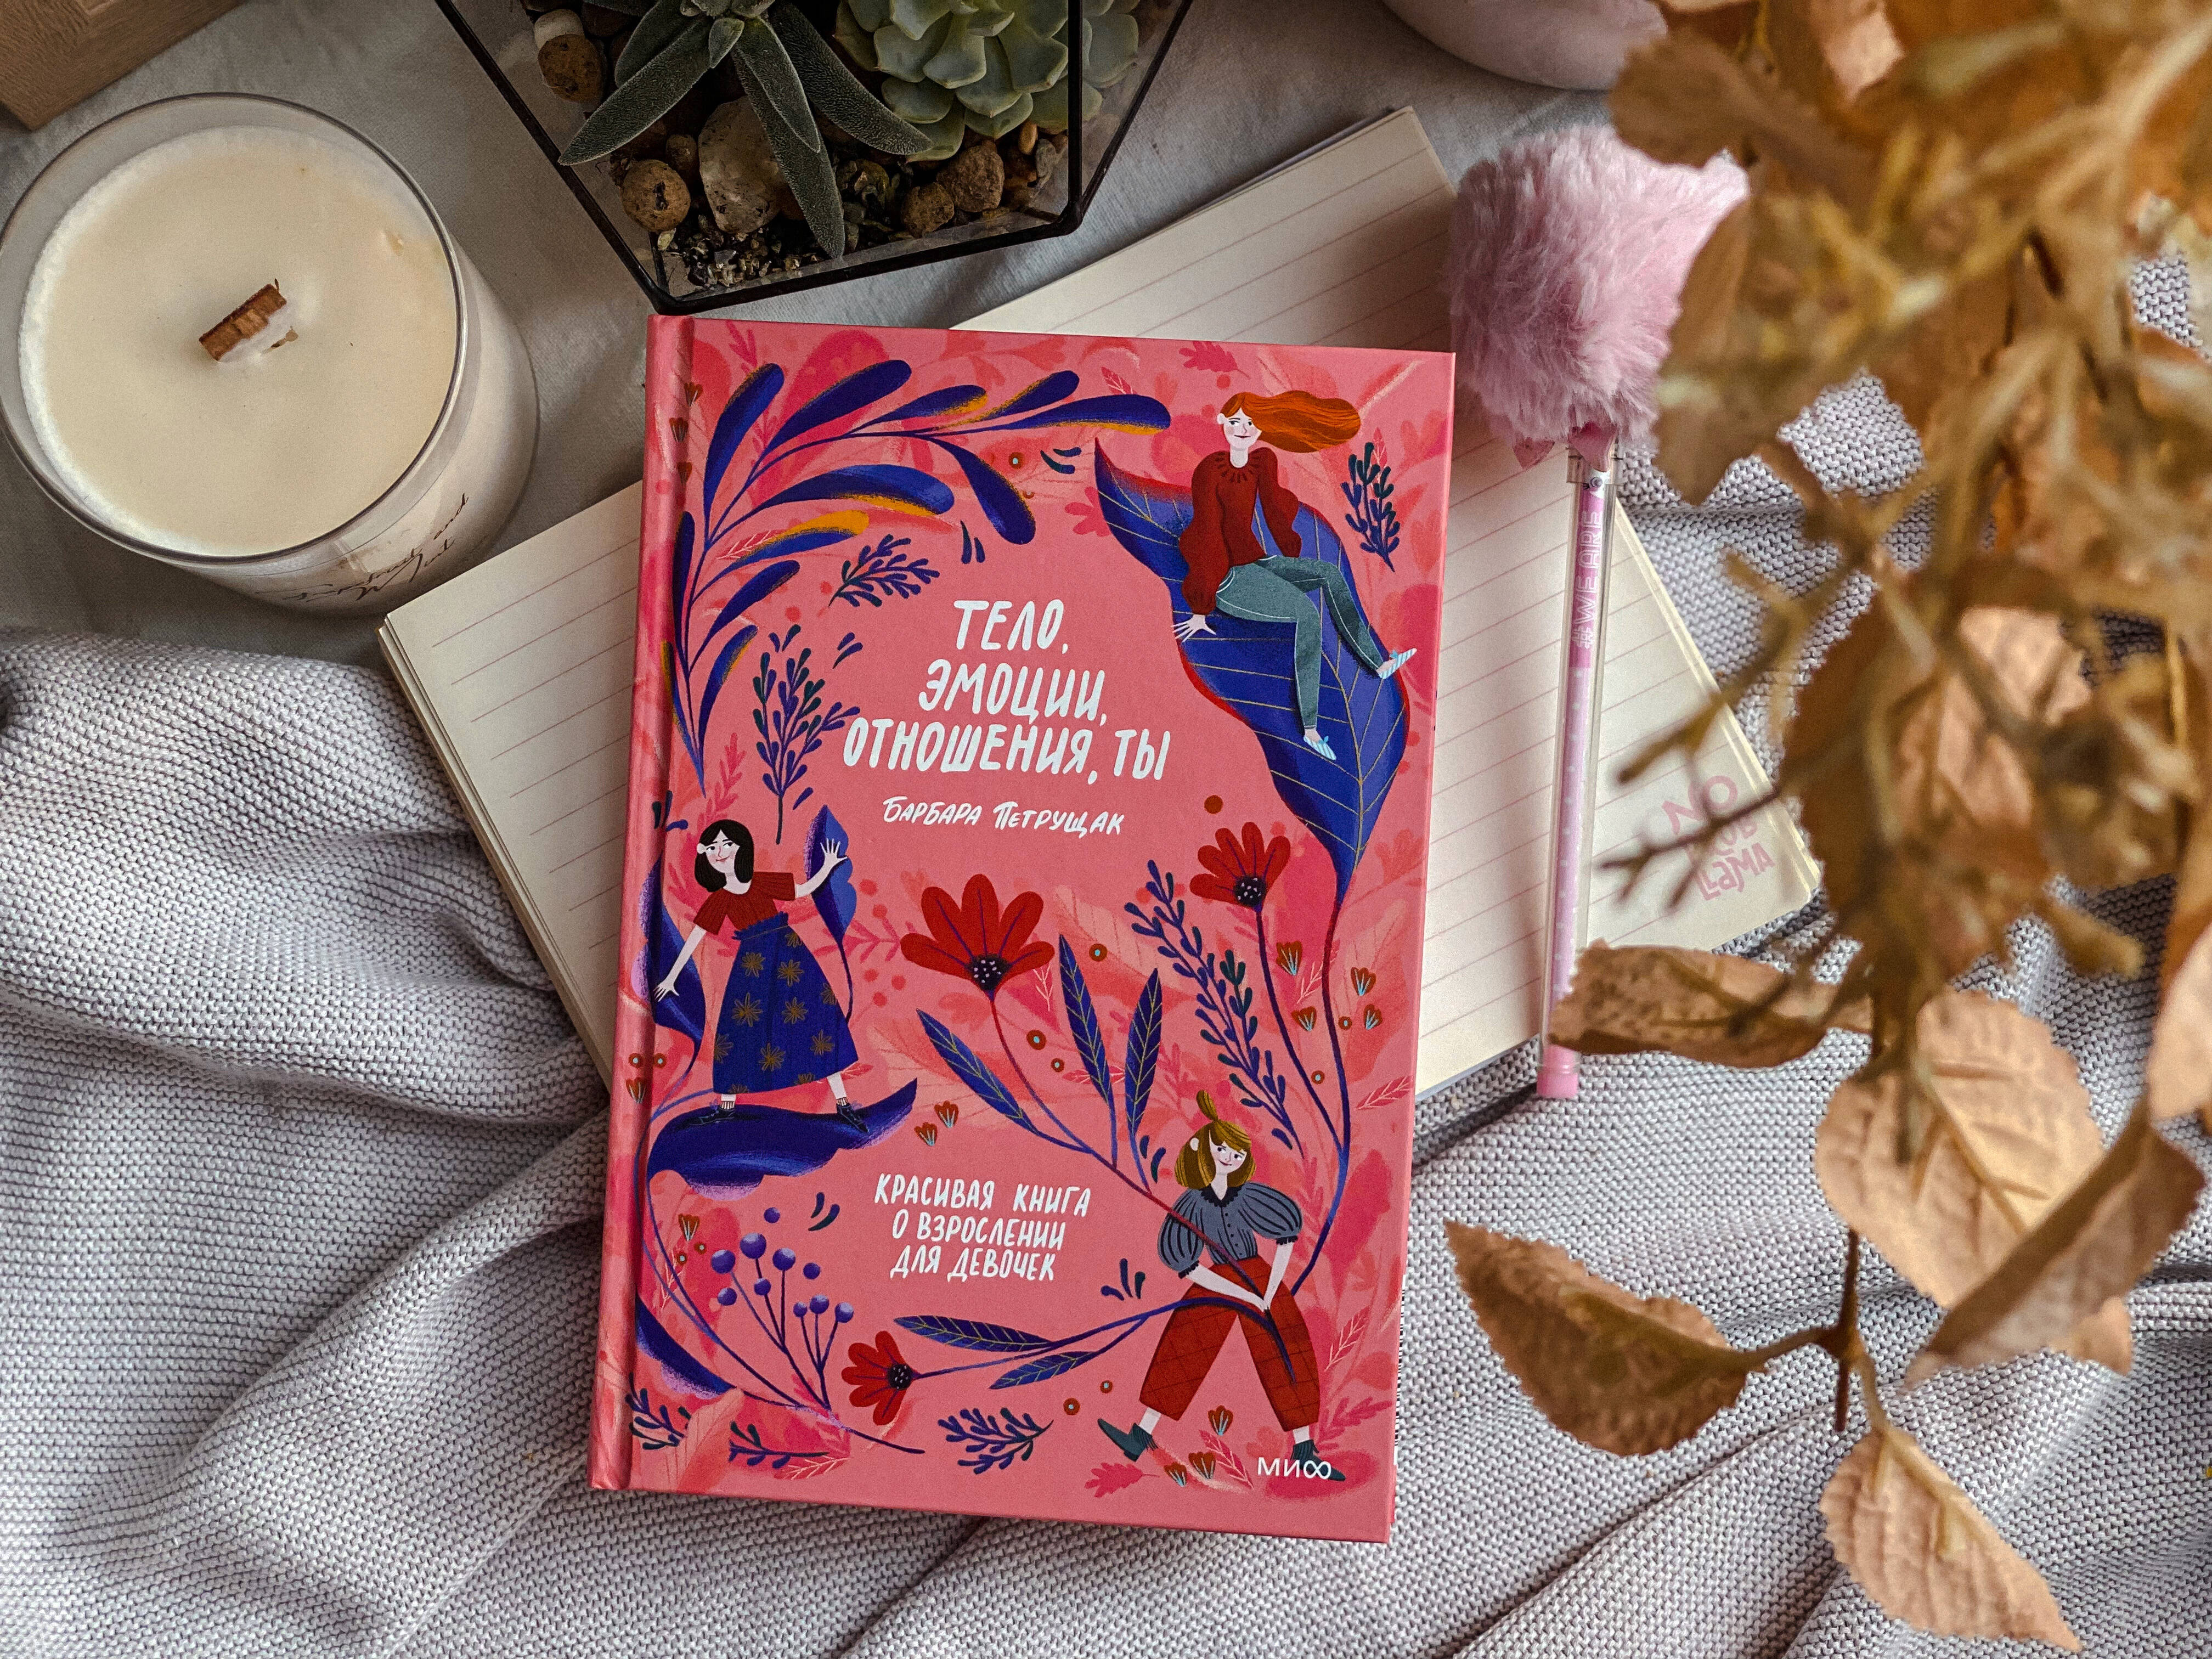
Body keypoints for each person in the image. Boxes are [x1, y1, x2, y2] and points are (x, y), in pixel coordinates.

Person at [1096, 1093, 1344, 1481]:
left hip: (1259, 1274)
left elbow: (1286, 1238)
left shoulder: (1250, 1195)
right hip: (1217, 1279)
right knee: (1184, 1343)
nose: (1230, 1157)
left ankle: (1304, 1447)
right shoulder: (1192, 1205)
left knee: (1285, 1345)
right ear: (1204, 1150)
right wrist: (1239, 1294)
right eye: (1222, 1149)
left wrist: (1269, 1289)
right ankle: (1140, 1435)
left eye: (1237, 1152)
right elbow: (1188, 1265)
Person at [1173, 390, 1416, 762]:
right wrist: (1201, 605)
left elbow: (1273, 508)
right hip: (1226, 578)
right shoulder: (1209, 470)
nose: (1243, 429)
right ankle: (1311, 728)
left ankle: (1378, 664)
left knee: (1328, 574)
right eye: (1235, 421)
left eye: (1251, 423)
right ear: (1222, 422)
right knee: (1306, 613)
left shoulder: (1260, 463)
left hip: (1257, 563)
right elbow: (1206, 531)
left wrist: (1289, 550)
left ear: (1260, 429)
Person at [655, 819, 861, 1127]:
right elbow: (695, 938)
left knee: (817, 1021)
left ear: (742, 848)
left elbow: (803, 890)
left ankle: (842, 1103)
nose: (720, 852)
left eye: (727, 844)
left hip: (789, 955)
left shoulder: (761, 881)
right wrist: (671, 977)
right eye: (713, 847)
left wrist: (828, 866)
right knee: (738, 1032)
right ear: (706, 856)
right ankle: (726, 1107)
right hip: (753, 966)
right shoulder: (720, 898)